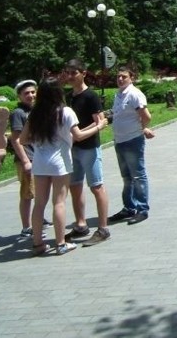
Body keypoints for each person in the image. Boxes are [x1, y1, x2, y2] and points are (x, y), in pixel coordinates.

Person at [20, 78, 107, 255]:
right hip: (59, 161)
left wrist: (39, 140)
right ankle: (60, 243)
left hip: (40, 162)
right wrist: (99, 126)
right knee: (59, 202)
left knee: (39, 204)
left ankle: (38, 243)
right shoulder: (65, 111)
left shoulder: (35, 113)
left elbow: (23, 139)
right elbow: (79, 135)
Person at [61, 59, 111, 247]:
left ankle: (103, 228)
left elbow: (100, 121)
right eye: (68, 72)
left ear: (83, 73)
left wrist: (80, 134)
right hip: (72, 148)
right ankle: (81, 224)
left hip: (89, 147)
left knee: (96, 186)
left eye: (74, 73)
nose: (70, 76)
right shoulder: (69, 96)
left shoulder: (91, 96)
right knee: (75, 186)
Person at [109, 66, 154, 225]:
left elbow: (146, 116)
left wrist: (142, 129)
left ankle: (142, 209)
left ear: (131, 78)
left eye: (124, 77)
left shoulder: (134, 94)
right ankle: (129, 207)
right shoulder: (119, 94)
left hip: (133, 140)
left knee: (138, 175)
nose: (120, 79)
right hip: (119, 141)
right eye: (118, 76)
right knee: (127, 177)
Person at [7, 79, 51, 238]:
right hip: (27, 159)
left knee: (38, 192)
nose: (31, 96)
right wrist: (25, 161)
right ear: (19, 96)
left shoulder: (35, 110)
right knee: (27, 194)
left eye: (33, 92)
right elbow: (16, 140)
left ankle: (38, 218)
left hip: (38, 157)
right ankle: (26, 227)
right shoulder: (18, 113)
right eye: (26, 93)